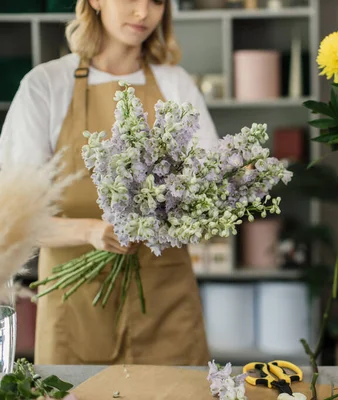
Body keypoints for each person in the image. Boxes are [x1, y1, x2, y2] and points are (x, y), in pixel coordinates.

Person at [0, 0, 219, 365]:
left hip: (165, 303)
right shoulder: (46, 85)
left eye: (157, 1)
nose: (143, 13)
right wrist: (91, 231)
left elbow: (211, 190)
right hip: (77, 306)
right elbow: (13, 220)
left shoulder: (175, 83)